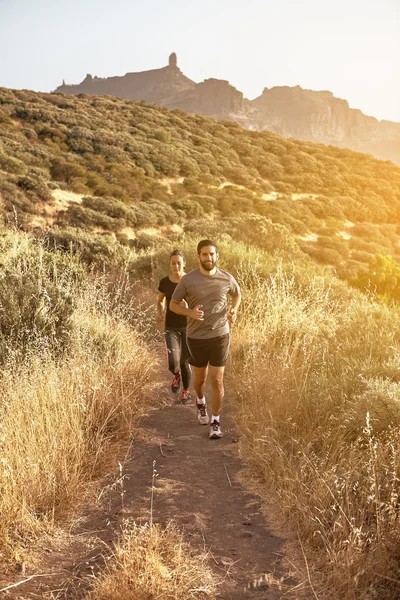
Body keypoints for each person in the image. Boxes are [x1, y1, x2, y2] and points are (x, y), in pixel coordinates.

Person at [170, 239, 241, 439]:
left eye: (212, 254)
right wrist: (189, 313)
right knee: (200, 380)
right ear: (198, 256)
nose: (208, 258)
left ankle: (216, 422)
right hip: (196, 337)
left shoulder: (226, 278)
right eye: (205, 254)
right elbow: (173, 304)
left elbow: (237, 295)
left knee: (217, 379)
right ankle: (200, 401)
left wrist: (234, 310)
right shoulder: (188, 280)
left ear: (217, 256)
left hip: (220, 335)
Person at [157, 249, 192, 404]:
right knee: (172, 361)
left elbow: (198, 303)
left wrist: (188, 306)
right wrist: (160, 311)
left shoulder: (190, 281)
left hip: (188, 327)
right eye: (173, 263)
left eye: (179, 263)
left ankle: (186, 391)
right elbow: (160, 300)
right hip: (171, 326)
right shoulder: (165, 282)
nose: (176, 266)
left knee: (184, 362)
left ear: (184, 263)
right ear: (169, 264)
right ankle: (176, 375)